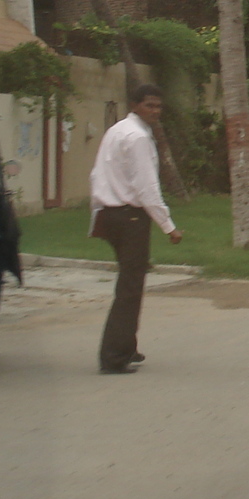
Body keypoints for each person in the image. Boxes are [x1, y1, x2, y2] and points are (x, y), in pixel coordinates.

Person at [89, 84, 181, 375]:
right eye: (149, 106)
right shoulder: (138, 137)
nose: (155, 111)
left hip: (111, 213)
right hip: (129, 217)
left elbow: (97, 174)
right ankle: (114, 357)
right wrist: (168, 226)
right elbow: (146, 188)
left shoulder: (117, 130)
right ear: (135, 105)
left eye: (158, 106)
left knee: (130, 283)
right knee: (130, 287)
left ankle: (126, 347)